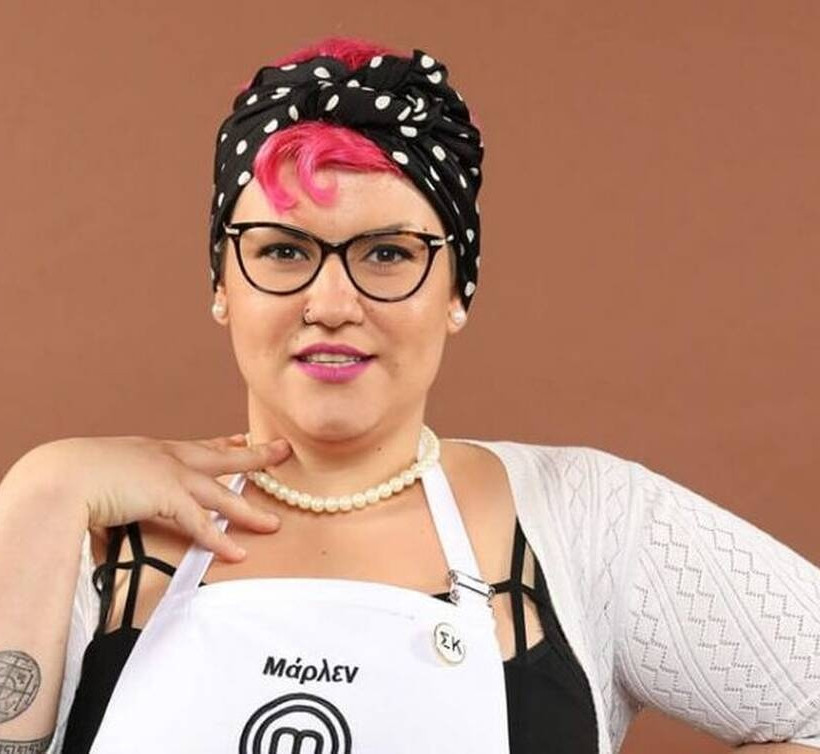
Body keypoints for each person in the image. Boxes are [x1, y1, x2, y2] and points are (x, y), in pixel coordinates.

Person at [0, 36, 818, 754]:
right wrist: (41, 491)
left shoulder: (588, 523)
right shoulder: (88, 539)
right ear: (222, 285)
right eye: (283, 251)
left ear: (457, 291)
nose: (331, 303)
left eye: (388, 254)